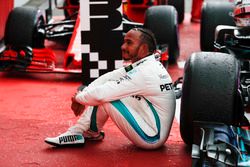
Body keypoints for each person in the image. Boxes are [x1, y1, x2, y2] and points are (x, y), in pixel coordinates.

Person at [45, 27, 176, 149]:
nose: (123, 46)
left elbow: (101, 95)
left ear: (143, 48)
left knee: (105, 96)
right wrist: (82, 94)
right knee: (105, 91)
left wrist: (79, 98)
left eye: (129, 43)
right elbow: (108, 77)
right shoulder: (147, 64)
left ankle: (81, 132)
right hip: (150, 122)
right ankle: (84, 132)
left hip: (152, 138)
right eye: (124, 42)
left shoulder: (144, 72)